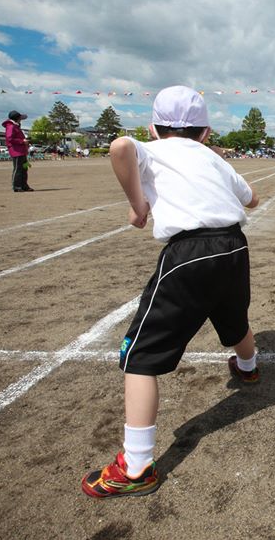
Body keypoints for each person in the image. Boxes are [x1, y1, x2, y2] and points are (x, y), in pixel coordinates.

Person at [81, 86, 260, 498]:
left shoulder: (150, 148)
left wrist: (139, 205)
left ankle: (137, 466)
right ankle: (249, 368)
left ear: (154, 128)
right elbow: (252, 198)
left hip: (189, 253)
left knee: (140, 357)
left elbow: (120, 146)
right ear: (207, 132)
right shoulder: (212, 157)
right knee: (233, 319)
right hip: (234, 245)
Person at [3, 110, 33, 191]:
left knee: (24, 168)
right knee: (18, 169)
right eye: (20, 118)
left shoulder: (16, 126)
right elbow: (10, 139)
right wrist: (22, 141)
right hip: (16, 151)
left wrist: (25, 141)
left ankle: (24, 185)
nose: (21, 120)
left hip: (22, 150)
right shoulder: (11, 126)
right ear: (17, 118)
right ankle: (16, 186)